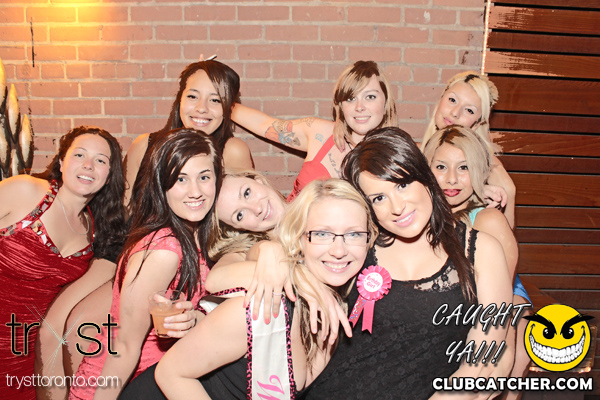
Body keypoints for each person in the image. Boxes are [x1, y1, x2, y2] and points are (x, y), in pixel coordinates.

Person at [117, 178, 378, 399]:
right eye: (321, 234)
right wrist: (278, 259)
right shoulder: (260, 304)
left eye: (354, 234)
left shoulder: (342, 299)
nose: (338, 250)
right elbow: (170, 374)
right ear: (299, 238)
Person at [301, 127, 513, 399]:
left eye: (402, 185)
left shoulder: (481, 250)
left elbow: (485, 355)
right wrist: (268, 255)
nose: (397, 207)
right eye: (379, 198)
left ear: (424, 176)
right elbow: (291, 258)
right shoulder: (359, 246)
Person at [69, 128, 222, 399]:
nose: (195, 191)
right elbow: (125, 346)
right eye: (181, 179)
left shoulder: (198, 233)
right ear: (162, 185)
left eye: (204, 177)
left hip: (154, 384)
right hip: (117, 387)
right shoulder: (164, 250)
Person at [0, 126, 126, 400]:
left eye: (100, 160)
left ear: (109, 176)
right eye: (79, 155)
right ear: (61, 161)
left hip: (27, 355)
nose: (88, 165)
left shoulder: (95, 232)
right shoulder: (25, 191)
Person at [423, 125, 531, 400]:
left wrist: (497, 366)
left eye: (464, 168)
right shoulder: (419, 219)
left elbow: (502, 308)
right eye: (441, 167)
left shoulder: (488, 220)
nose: (451, 179)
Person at [231, 60, 398, 201]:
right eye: (350, 98)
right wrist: (219, 100)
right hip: (288, 228)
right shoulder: (319, 132)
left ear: (385, 102)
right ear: (341, 106)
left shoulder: (395, 158)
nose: (359, 107)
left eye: (370, 97)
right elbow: (264, 125)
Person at [124, 59, 253, 207]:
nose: (201, 108)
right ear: (180, 99)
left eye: (215, 100)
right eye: (192, 96)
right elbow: (125, 210)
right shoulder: (145, 145)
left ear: (228, 108)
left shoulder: (233, 151)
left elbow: (246, 211)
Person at [420, 71, 517, 228]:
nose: (455, 113)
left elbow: (504, 235)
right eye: (452, 100)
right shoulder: (414, 151)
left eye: (469, 110)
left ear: (477, 124)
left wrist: (477, 191)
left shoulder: (491, 166)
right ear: (441, 100)